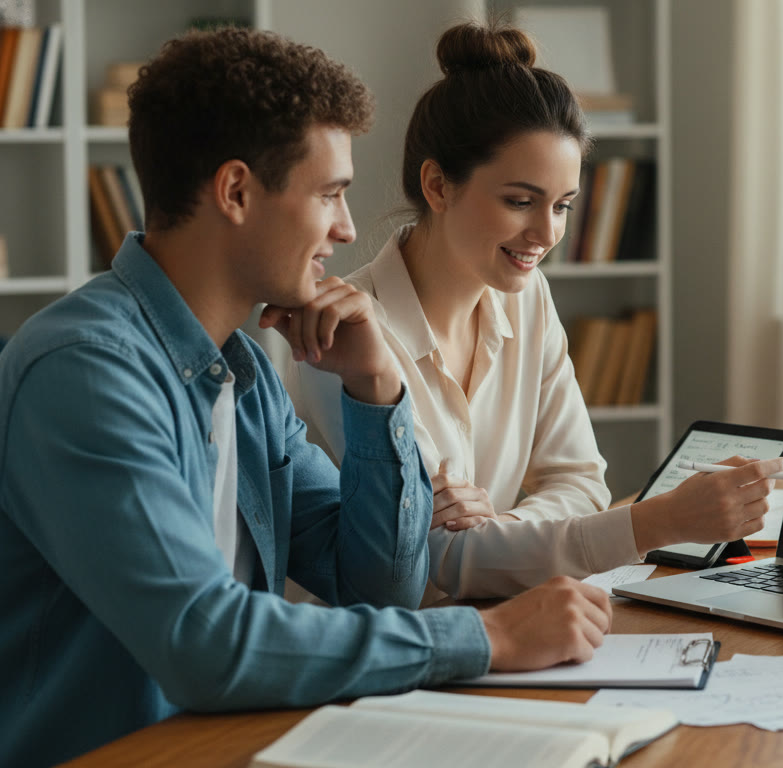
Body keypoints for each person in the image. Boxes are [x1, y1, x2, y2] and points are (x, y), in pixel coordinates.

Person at [0, 27, 624, 767]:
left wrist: (376, 387)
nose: (347, 227)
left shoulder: (244, 376)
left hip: (236, 743)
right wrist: (491, 636)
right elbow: (205, 641)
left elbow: (381, 585)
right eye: (329, 193)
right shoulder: (87, 373)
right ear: (235, 191)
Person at [285, 21, 783, 602]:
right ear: (438, 186)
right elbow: (430, 559)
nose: (546, 233)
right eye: (520, 201)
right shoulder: (344, 337)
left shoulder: (528, 300)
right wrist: (658, 522)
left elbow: (579, 482)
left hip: (500, 630)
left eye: (563, 205)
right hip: (378, 654)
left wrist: (497, 530)